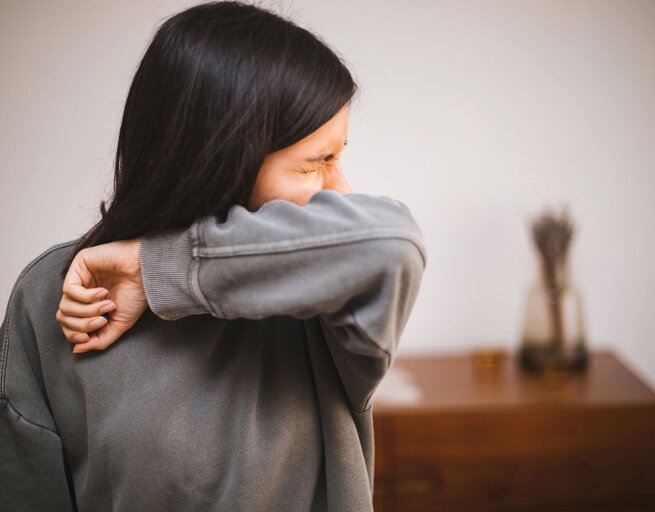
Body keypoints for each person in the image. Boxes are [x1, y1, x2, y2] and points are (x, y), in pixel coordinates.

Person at [0, 2, 427, 511]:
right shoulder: (57, 293)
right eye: (318, 164)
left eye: (340, 156)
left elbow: (391, 242)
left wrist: (156, 268)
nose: (344, 191)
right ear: (221, 160)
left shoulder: (324, 302)